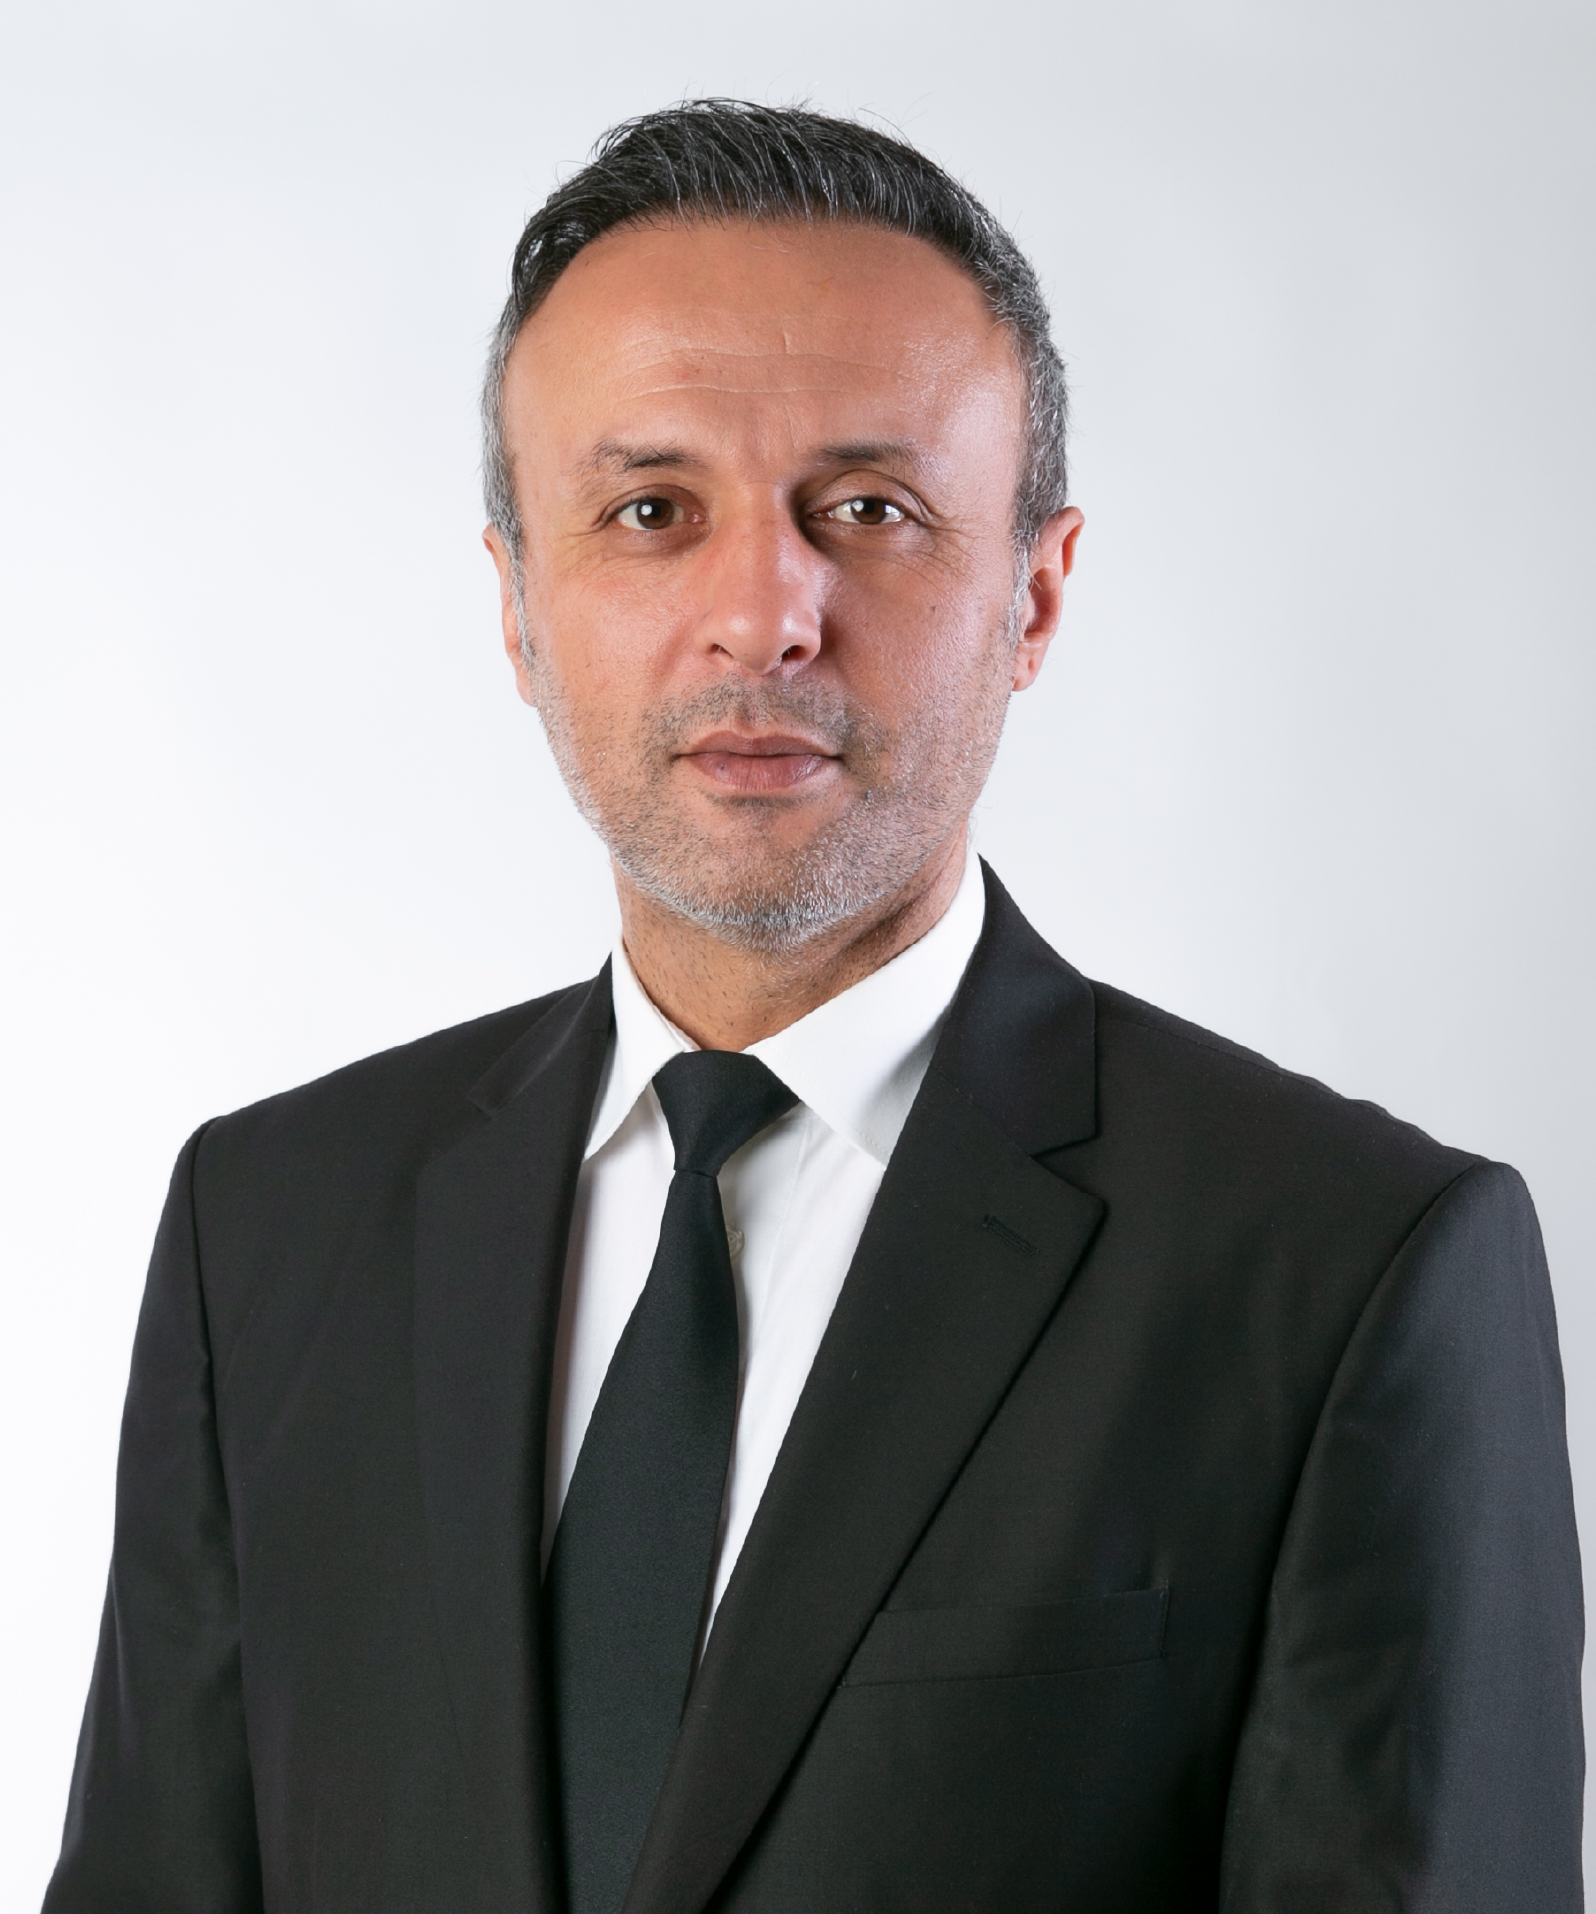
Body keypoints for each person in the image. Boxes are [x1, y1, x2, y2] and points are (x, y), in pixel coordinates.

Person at [43, 100, 1582, 1914]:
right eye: (650, 510)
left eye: (868, 510)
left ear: (1034, 595)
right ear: (519, 607)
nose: (763, 614)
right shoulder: (268, 1227)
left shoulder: (1350, 1272)